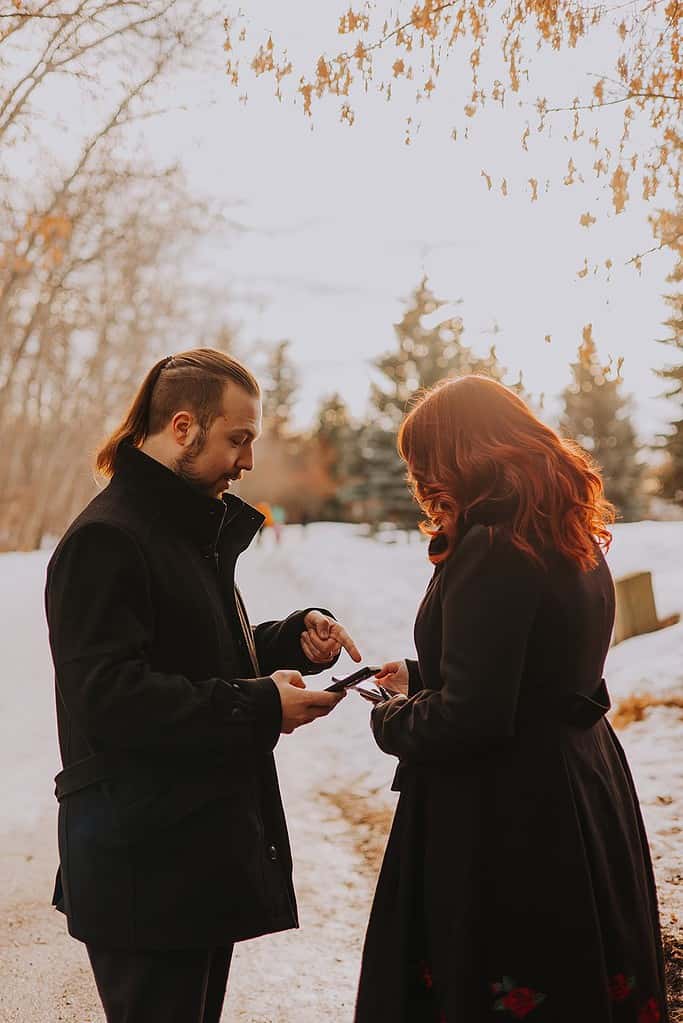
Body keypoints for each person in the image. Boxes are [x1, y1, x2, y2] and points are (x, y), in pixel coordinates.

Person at [45, 348, 361, 1023]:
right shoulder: (107, 538)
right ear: (183, 427)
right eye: (237, 439)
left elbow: (193, 652)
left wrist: (288, 635)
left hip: (186, 857)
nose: (246, 460)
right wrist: (261, 704)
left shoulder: (183, 527)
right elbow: (110, 697)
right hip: (142, 867)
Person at [355, 375, 670, 1023]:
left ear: (460, 456)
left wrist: (389, 717)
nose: (420, 482)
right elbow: (536, 670)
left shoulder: (493, 547)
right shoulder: (565, 533)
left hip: (511, 814)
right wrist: (423, 675)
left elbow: (472, 714)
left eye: (423, 464)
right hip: (580, 783)